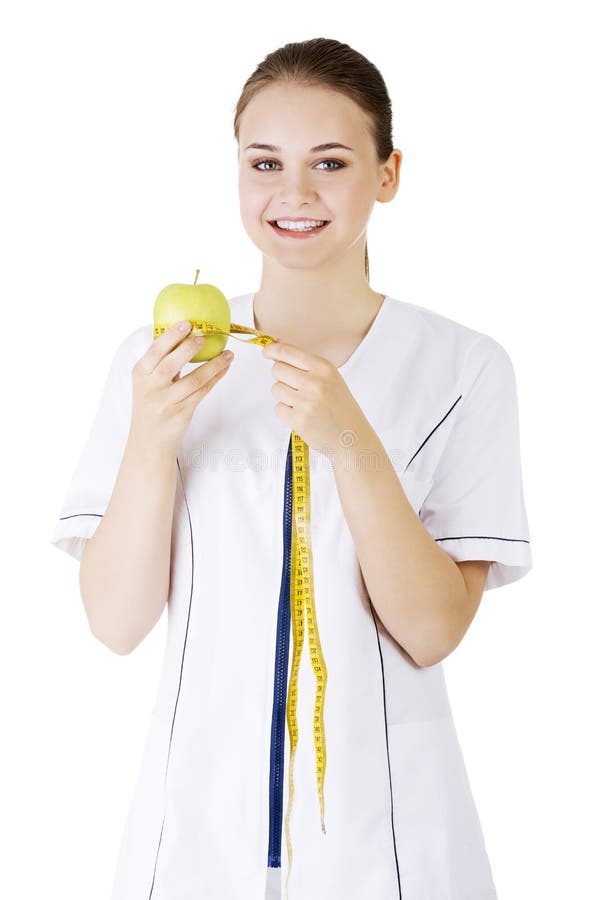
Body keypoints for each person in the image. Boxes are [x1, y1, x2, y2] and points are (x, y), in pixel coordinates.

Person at [50, 37, 533, 900]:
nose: (294, 193)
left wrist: (350, 440)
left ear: (387, 175)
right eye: (264, 162)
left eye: (331, 162)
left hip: (389, 842)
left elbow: (431, 631)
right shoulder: (160, 360)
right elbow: (115, 624)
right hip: (191, 837)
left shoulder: (462, 368)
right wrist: (152, 439)